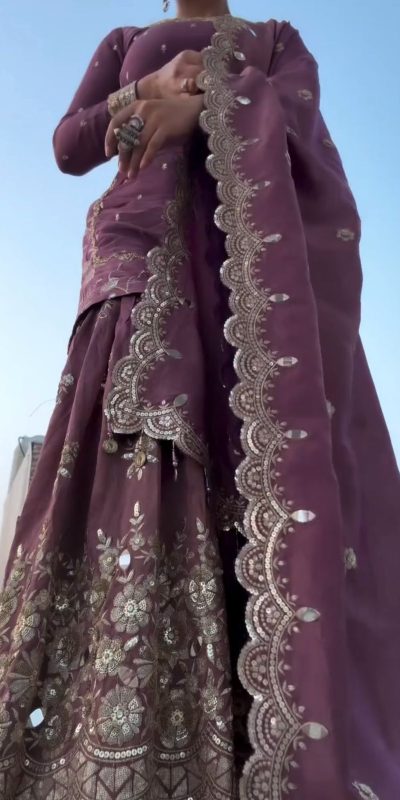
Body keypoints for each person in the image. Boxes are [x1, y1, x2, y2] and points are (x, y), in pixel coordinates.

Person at [0, 1, 398, 798]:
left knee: (248, 466)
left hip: (249, 285)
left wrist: (208, 108)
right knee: (133, 447)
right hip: (137, 257)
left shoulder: (276, 40)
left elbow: (302, 129)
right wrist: (144, 91)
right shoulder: (123, 42)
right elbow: (69, 145)